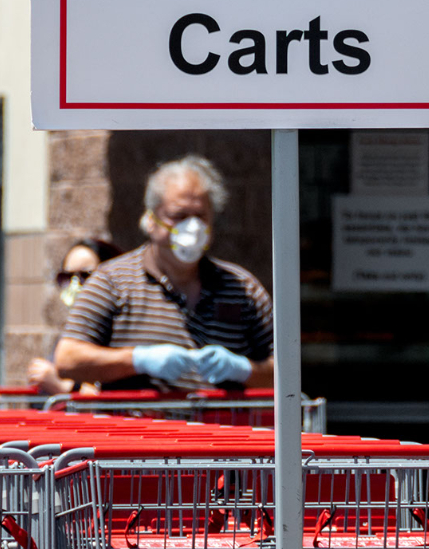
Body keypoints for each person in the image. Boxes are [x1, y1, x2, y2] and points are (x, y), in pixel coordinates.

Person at [54, 155, 274, 391]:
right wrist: (138, 360)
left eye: (200, 216)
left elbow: (284, 372)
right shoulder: (111, 282)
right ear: (151, 221)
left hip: (221, 425)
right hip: (140, 426)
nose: (192, 227)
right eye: (179, 216)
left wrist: (243, 369)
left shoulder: (244, 288)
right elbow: (68, 359)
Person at [28, 236, 122, 395]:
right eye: (66, 277)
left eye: (86, 276)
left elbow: (101, 397)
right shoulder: (69, 332)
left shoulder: (119, 331)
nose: (75, 286)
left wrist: (62, 388)